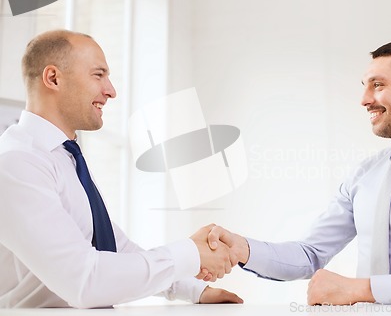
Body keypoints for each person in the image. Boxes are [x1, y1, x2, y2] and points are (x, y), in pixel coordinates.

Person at [206, 38, 391, 305]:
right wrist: (242, 249)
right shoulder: (365, 174)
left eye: (378, 85)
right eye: (364, 85)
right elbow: (310, 255)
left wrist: (361, 290)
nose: (364, 99)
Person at [0, 29, 242, 308]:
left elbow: (116, 247)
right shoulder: (17, 163)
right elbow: (86, 281)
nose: (111, 91)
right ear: (53, 78)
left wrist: (192, 289)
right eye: (98, 75)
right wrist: (190, 253)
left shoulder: (65, 158)